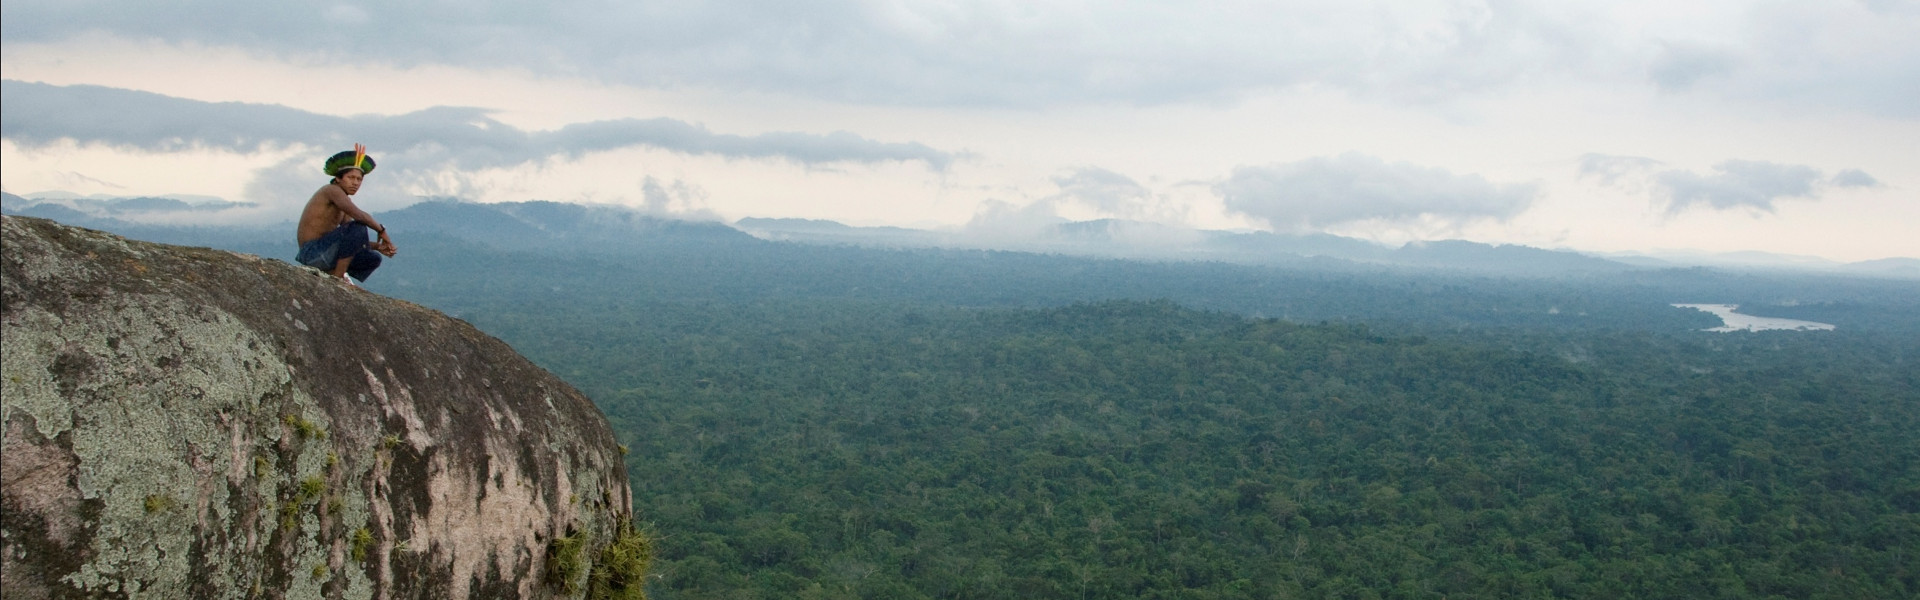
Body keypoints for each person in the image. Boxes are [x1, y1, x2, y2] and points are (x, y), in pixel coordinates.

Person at [296, 144, 397, 287]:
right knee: (358, 226)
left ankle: (332, 272)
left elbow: (350, 240)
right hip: (312, 253)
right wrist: (381, 230)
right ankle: (337, 278)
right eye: (351, 178)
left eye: (359, 179)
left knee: (373, 258)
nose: (355, 183)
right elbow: (359, 217)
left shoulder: (343, 201)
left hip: (326, 252)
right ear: (338, 178)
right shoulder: (331, 191)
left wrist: (377, 246)